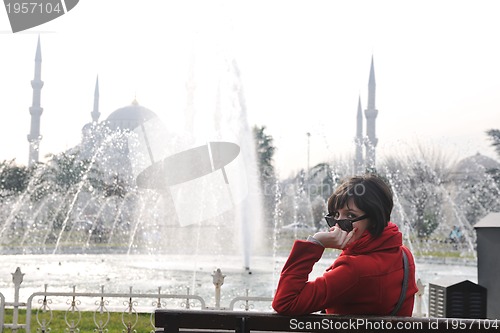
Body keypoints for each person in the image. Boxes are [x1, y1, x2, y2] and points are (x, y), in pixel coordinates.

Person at [272, 174, 418, 316]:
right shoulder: (403, 253)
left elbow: (285, 302)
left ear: (374, 219)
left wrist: (316, 242)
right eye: (335, 215)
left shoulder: (355, 269)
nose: (338, 225)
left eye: (350, 216)